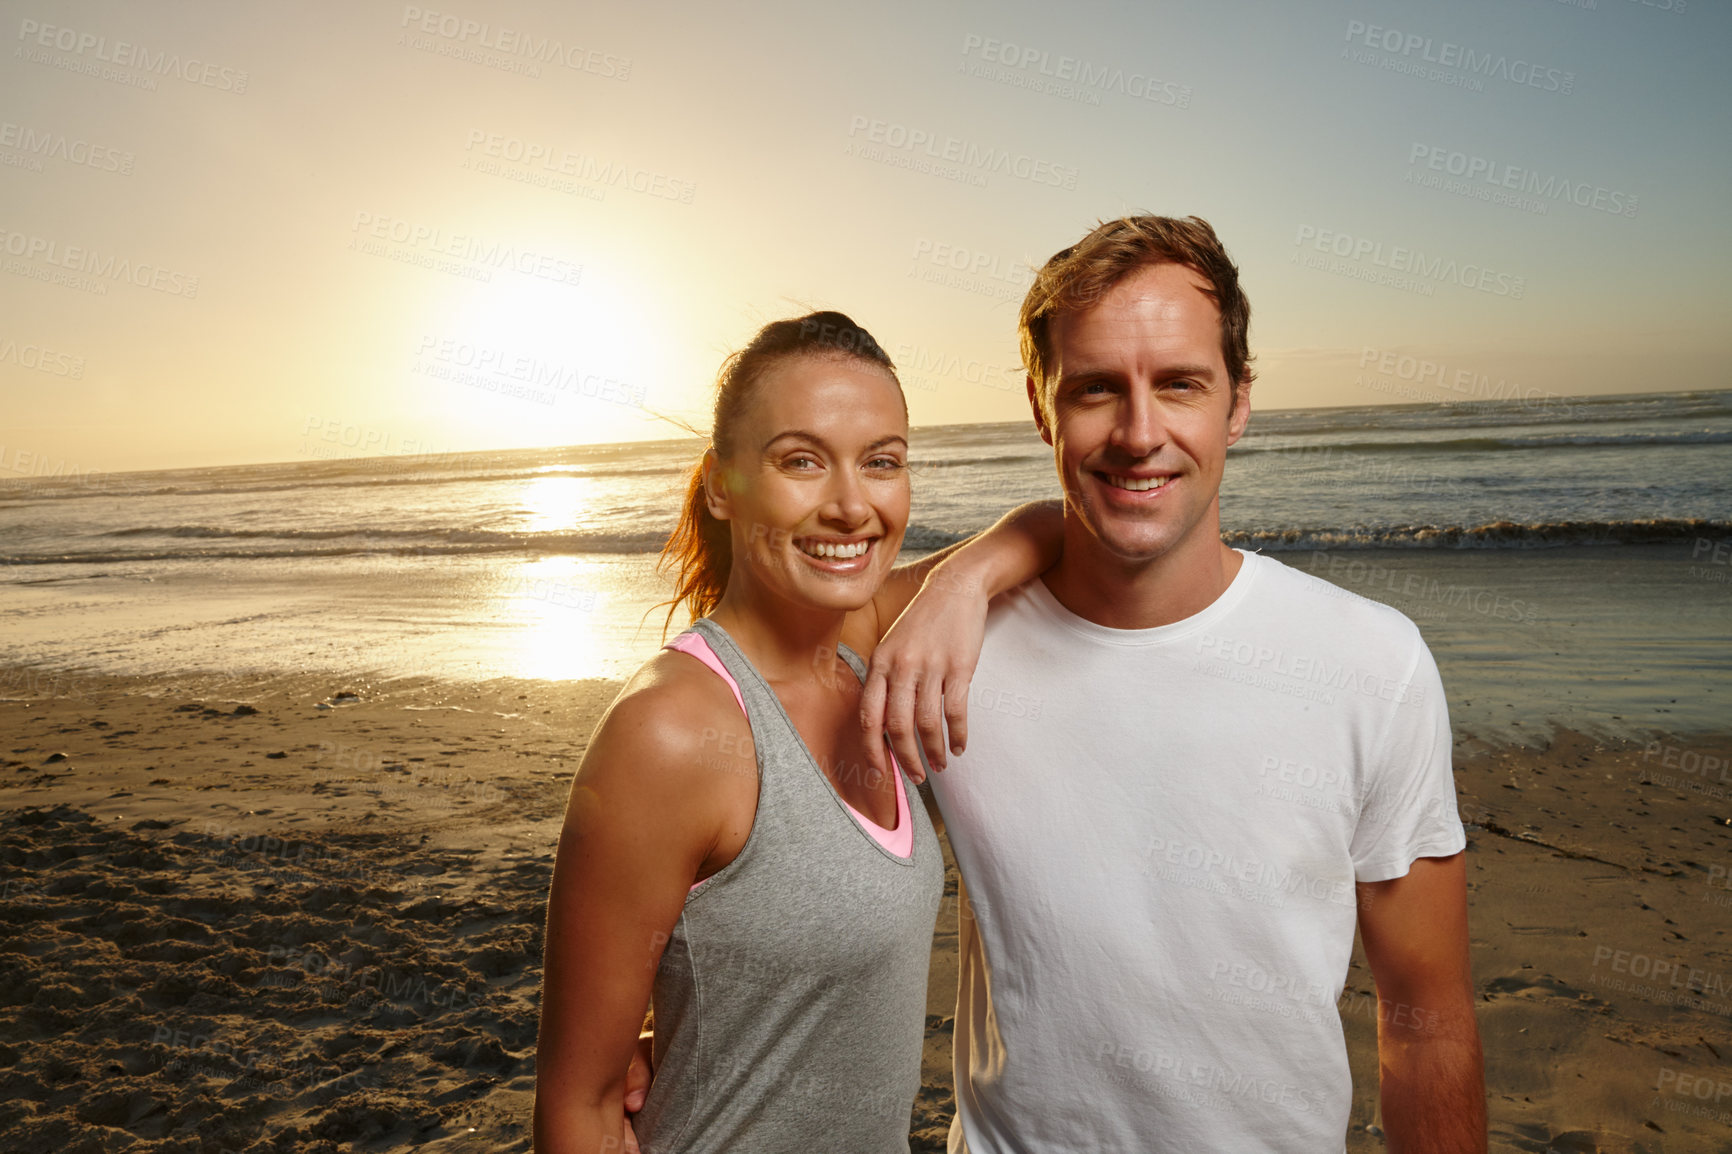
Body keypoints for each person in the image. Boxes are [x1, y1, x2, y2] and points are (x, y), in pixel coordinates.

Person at [862, 216, 1486, 1151]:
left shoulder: (1373, 663)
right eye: (1096, 390)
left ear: (1237, 402)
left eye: (1181, 385)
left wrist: (982, 561)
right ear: (1043, 409)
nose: (1140, 433)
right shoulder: (935, 638)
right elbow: (733, 693)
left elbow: (1426, 1020)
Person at [532, 310, 1060, 1154]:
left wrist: (960, 588)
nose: (852, 507)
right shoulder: (668, 731)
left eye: (882, 462)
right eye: (802, 460)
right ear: (719, 484)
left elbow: (1053, 525)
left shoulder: (856, 647)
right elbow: (580, 1108)